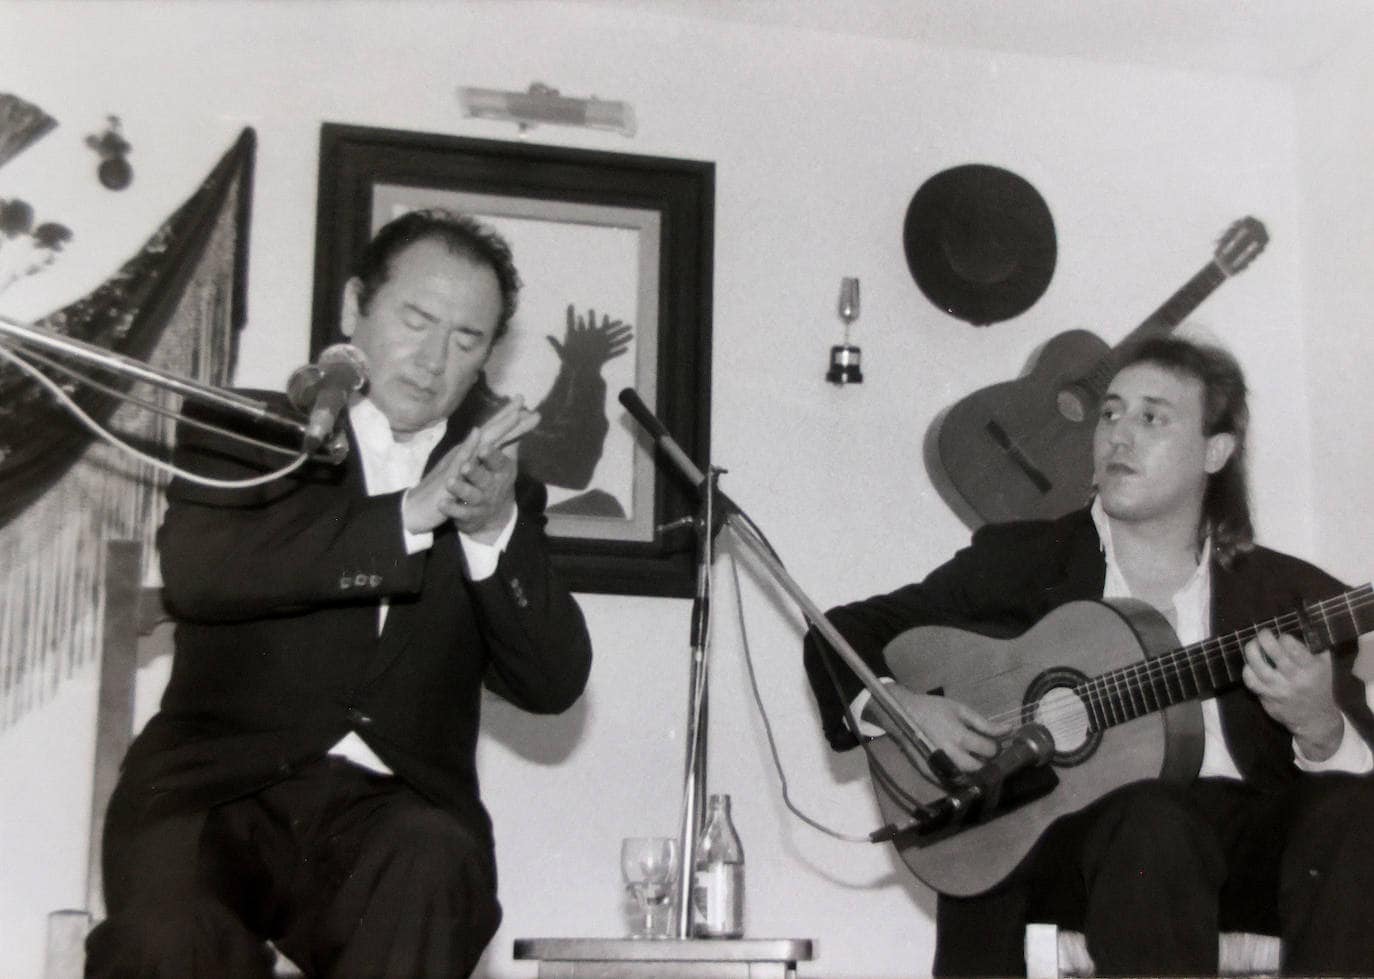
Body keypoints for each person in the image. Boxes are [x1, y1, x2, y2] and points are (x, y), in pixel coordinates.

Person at [87, 208, 594, 978]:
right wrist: (411, 515)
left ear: (490, 353)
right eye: (415, 319)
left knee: (434, 864)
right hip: (213, 793)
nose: (432, 359)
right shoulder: (253, 426)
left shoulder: (499, 486)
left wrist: (492, 530)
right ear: (356, 304)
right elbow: (200, 570)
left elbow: (553, 682)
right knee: (171, 939)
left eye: (466, 340)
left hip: (390, 820)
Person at [803, 336, 1374, 977]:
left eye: (1152, 417)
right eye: (1110, 413)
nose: (1118, 436)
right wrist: (904, 711)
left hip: (1245, 858)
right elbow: (838, 633)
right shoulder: (1025, 561)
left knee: (1355, 814)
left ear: (1215, 451)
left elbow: (1351, 781)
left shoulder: (1293, 597)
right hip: (1071, 859)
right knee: (1153, 818)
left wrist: (1320, 726)